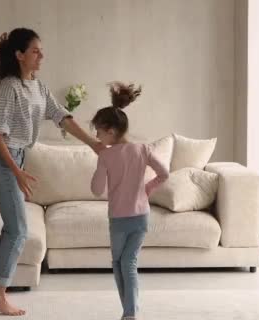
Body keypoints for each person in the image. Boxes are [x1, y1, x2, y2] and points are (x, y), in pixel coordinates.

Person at [0, 28, 103, 316]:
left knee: (12, 230)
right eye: (36, 50)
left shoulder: (38, 87)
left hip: (17, 159)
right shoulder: (8, 87)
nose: (42, 55)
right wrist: (16, 171)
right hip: (3, 162)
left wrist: (94, 144)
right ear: (20, 55)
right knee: (19, 231)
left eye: (41, 50)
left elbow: (62, 116)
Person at [90, 82, 169, 320]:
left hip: (119, 220)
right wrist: (147, 188)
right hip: (141, 216)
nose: (96, 136)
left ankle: (129, 312)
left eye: (98, 131)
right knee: (130, 263)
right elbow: (164, 173)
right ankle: (129, 313)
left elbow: (96, 190)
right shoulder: (143, 149)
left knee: (119, 263)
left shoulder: (105, 155)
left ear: (110, 131)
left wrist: (99, 162)